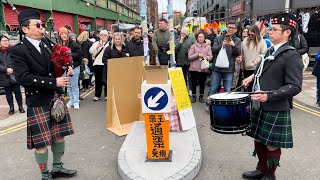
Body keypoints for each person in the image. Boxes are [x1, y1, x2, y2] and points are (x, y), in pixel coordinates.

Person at [11, 9, 76, 179]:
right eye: (38, 25)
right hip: (38, 101)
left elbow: (55, 64)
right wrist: (54, 82)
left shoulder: (46, 45)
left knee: (59, 136)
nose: (42, 29)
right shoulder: (18, 50)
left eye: (43, 25)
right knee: (41, 143)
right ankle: (45, 174)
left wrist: (64, 67)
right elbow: (23, 78)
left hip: (54, 98)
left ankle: (57, 167)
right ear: (25, 29)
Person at [242, 13, 303, 180]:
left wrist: (269, 96)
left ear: (287, 33)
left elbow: (295, 86)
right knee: (259, 138)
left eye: (275, 29)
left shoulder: (291, 55)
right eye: (270, 28)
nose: (270, 31)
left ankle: (270, 174)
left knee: (271, 144)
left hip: (274, 107)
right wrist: (252, 77)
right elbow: (263, 72)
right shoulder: (270, 50)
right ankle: (261, 169)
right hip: (259, 105)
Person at [208, 20, 241, 96]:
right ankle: (209, 106)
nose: (230, 29)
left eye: (233, 28)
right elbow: (213, 50)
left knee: (227, 90)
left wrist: (233, 45)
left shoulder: (237, 40)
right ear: (226, 28)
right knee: (213, 88)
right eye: (229, 27)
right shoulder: (219, 38)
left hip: (229, 69)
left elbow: (238, 52)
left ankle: (226, 107)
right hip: (217, 68)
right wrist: (222, 45)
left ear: (236, 30)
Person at [59, 27, 83, 109]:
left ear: (67, 34)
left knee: (74, 85)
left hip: (74, 67)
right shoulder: (59, 44)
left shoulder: (73, 44)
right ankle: (71, 100)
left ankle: (76, 101)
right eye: (62, 34)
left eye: (65, 34)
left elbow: (80, 55)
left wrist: (69, 54)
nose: (64, 35)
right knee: (68, 85)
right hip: (64, 68)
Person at [0, 35, 25, 115]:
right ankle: (11, 108)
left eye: (6, 40)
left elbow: (18, 61)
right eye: (3, 41)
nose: (5, 42)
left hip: (14, 74)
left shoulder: (13, 50)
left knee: (18, 92)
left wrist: (13, 69)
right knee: (8, 94)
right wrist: (6, 69)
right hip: (4, 76)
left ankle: (20, 106)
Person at [102, 32, 129, 99]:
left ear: (122, 39)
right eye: (116, 39)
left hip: (123, 72)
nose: (117, 40)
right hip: (112, 72)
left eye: (119, 39)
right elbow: (104, 60)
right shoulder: (109, 48)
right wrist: (113, 65)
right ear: (113, 40)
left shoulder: (126, 48)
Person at [188, 32, 213, 103]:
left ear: (204, 38)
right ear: (197, 38)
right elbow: (189, 57)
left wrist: (204, 56)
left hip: (203, 68)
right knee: (194, 82)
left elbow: (210, 57)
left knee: (202, 83)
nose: (201, 38)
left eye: (202, 37)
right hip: (194, 67)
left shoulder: (207, 46)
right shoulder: (193, 46)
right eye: (199, 37)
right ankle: (193, 96)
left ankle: (201, 96)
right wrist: (197, 54)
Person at [241, 25, 268, 91]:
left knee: (254, 89)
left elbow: (263, 54)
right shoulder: (245, 40)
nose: (250, 36)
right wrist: (242, 62)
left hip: (256, 69)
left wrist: (254, 62)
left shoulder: (262, 42)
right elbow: (242, 53)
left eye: (252, 35)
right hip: (246, 68)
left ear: (256, 33)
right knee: (246, 87)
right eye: (249, 34)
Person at [89, 30, 109, 101]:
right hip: (97, 64)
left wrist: (104, 48)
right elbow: (91, 51)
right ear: (99, 36)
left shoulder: (109, 44)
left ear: (107, 36)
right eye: (101, 35)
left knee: (106, 80)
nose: (103, 37)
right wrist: (97, 47)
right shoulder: (96, 43)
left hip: (106, 64)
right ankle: (97, 95)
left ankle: (107, 95)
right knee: (98, 80)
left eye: (105, 35)